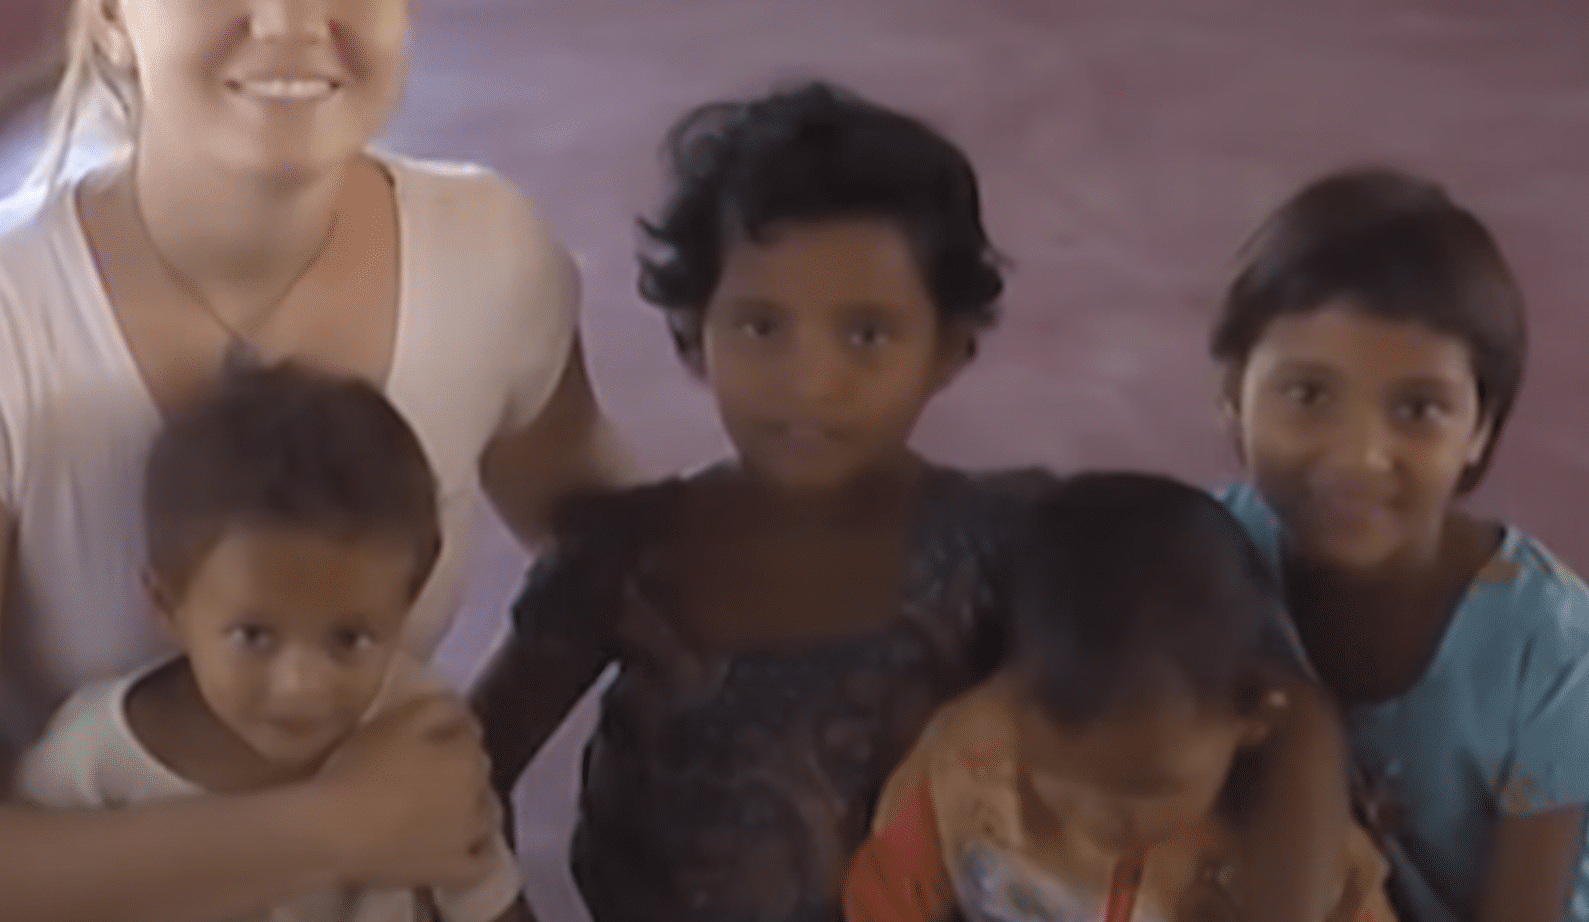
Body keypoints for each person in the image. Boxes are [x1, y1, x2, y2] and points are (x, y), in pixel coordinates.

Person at [0, 0, 632, 922]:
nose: (291, 19)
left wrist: (466, 761)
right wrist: (337, 825)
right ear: (109, 6)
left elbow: (621, 546)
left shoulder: (489, 255)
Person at [468, 80, 1360, 922]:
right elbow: (468, 768)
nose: (809, 381)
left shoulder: (1015, 540)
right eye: (759, 325)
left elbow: (1290, 714)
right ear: (693, 335)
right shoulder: (624, 554)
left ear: (949, 349)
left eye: (867, 333)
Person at [14, 361, 533, 922]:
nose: (301, 685)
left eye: (350, 638)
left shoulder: (415, 725)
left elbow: (491, 902)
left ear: (408, 601)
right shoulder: (90, 763)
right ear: (167, 606)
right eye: (254, 635)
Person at [1212, 167, 1589, 922]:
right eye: (1308, 394)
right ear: (1232, 397)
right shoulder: (1201, 559)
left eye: (1419, 408)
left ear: (1480, 431)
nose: (1359, 455)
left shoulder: (1551, 653)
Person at [843, 473, 1396, 922]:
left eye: (1147, 787)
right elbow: (886, 896)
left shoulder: (1304, 858)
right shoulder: (968, 762)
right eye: (1054, 780)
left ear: (1251, 713)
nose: (1097, 820)